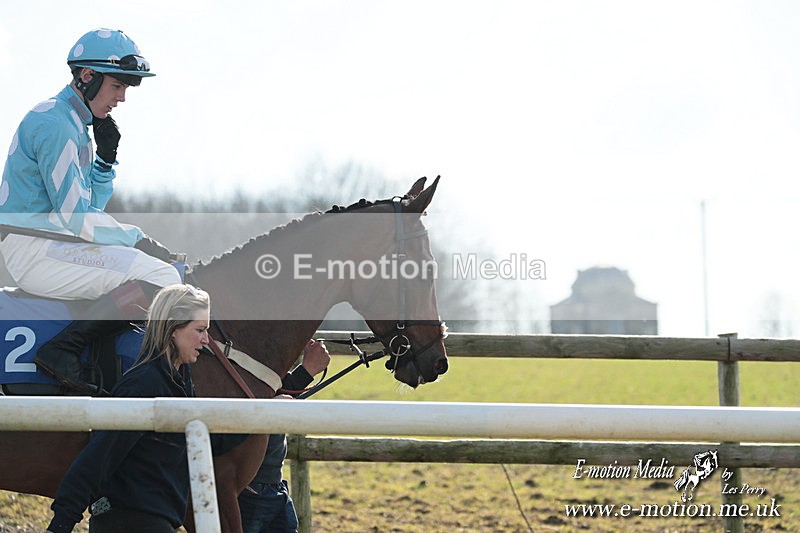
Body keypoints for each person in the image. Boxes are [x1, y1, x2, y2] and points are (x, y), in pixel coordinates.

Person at [0, 28, 181, 393]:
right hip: (35, 251)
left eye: (127, 88)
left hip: (51, 244)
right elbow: (77, 219)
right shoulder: (56, 124)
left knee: (160, 271)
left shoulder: (72, 122)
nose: (122, 98)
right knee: (164, 279)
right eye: (117, 86)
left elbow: (88, 210)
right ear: (87, 76)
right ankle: (61, 351)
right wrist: (137, 238)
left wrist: (105, 162)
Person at [46, 283, 212, 533]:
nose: (206, 339)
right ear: (172, 329)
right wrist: (61, 523)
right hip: (130, 522)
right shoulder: (144, 383)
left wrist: (266, 416)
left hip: (149, 521)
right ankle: (60, 349)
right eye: (200, 329)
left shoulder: (179, 382)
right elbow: (100, 455)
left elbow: (211, 443)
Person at [239, 340, 331, 533]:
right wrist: (306, 371)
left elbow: (272, 391)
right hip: (254, 488)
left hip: (274, 484)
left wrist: (307, 371)